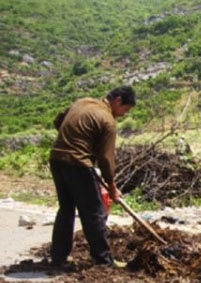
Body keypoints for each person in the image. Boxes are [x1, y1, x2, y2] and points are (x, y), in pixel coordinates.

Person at [49, 86, 136, 268]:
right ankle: (103, 260)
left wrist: (74, 141)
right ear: (118, 100)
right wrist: (112, 186)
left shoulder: (82, 102)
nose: (123, 115)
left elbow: (59, 121)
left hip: (57, 158)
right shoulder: (108, 121)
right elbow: (106, 159)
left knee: (66, 209)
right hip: (77, 164)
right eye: (125, 110)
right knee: (94, 212)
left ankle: (58, 258)